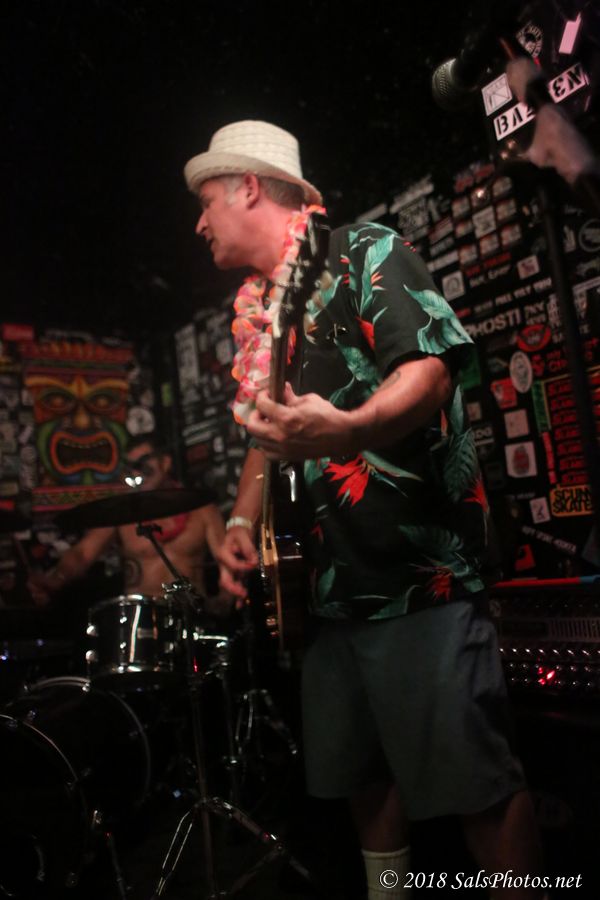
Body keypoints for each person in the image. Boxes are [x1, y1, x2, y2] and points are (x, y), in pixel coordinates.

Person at [184, 120, 545, 898]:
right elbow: (268, 434)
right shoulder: (259, 309)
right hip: (326, 595)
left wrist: (347, 430)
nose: (199, 223)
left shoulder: (362, 251)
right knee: (364, 780)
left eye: (206, 201)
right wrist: (242, 522)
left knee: (475, 785)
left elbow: (431, 371)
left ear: (249, 188)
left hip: (416, 579)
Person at [27, 434, 229, 603]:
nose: (137, 471)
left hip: (192, 619)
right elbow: (82, 554)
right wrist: (57, 577)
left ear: (165, 462)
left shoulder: (202, 510)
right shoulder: (123, 512)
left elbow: (228, 561)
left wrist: (224, 601)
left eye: (143, 462)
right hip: (140, 621)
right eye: (131, 466)